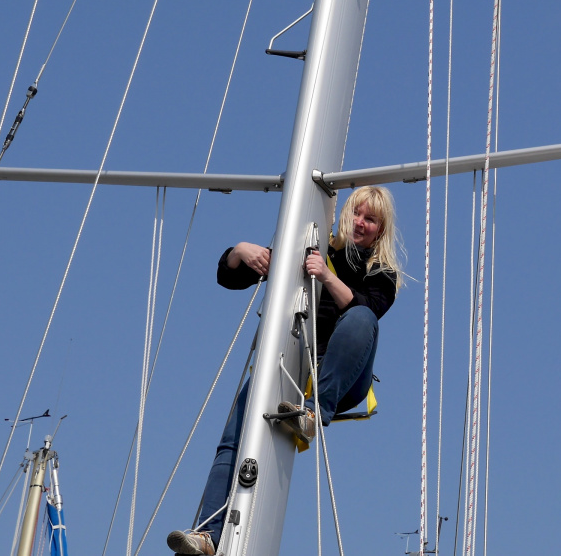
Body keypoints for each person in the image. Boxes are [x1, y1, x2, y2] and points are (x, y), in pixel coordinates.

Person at [166, 186, 401, 556]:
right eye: (357, 213)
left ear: (381, 229)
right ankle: (209, 535)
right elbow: (229, 277)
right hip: (287, 360)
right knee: (233, 438)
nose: (360, 223)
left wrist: (324, 275)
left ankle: (313, 412)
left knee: (361, 318)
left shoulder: (381, 272)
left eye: (371, 219)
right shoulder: (315, 246)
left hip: (340, 377)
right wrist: (241, 250)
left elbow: (366, 309)